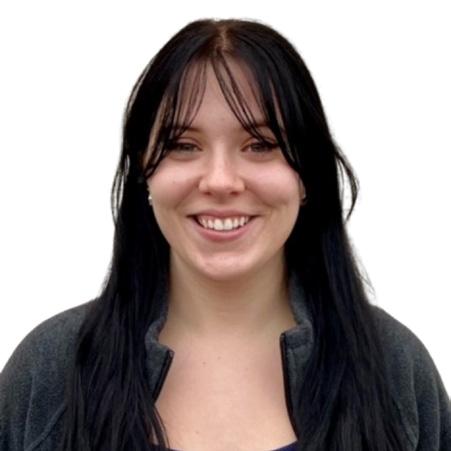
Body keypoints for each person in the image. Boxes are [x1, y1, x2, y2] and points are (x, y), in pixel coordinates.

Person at [0, 18, 450, 451]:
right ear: (144, 172)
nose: (220, 180)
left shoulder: (395, 369)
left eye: (260, 145)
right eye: (183, 145)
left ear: (307, 174)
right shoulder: (50, 369)